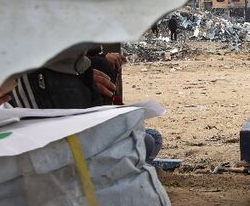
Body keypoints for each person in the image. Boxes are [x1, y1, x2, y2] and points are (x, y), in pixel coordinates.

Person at [9, 45, 163, 163]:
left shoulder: (86, 69)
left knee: (150, 138)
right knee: (145, 141)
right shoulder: (39, 77)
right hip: (64, 150)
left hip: (82, 136)